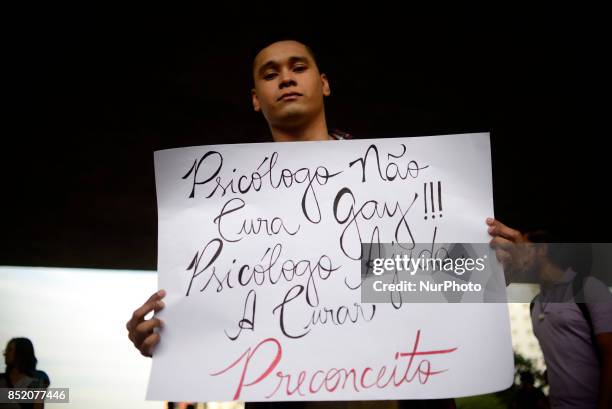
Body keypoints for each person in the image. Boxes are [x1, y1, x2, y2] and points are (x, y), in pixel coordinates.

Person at [127, 38, 465, 409]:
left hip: (399, 389)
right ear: (256, 98)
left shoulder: (395, 179)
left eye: (298, 68)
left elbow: (435, 280)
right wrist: (170, 339)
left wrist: (502, 266)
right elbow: (222, 315)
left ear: (324, 84)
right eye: (271, 74)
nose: (286, 79)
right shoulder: (225, 208)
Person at [487, 219, 612, 409]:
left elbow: (610, 354)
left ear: (542, 249)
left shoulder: (588, 288)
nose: (515, 251)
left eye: (524, 246)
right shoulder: (535, 304)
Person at [1, 337, 48, 409]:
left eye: (10, 350)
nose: (5, 353)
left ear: (21, 353)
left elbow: (38, 406)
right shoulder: (1, 379)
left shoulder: (38, 378)